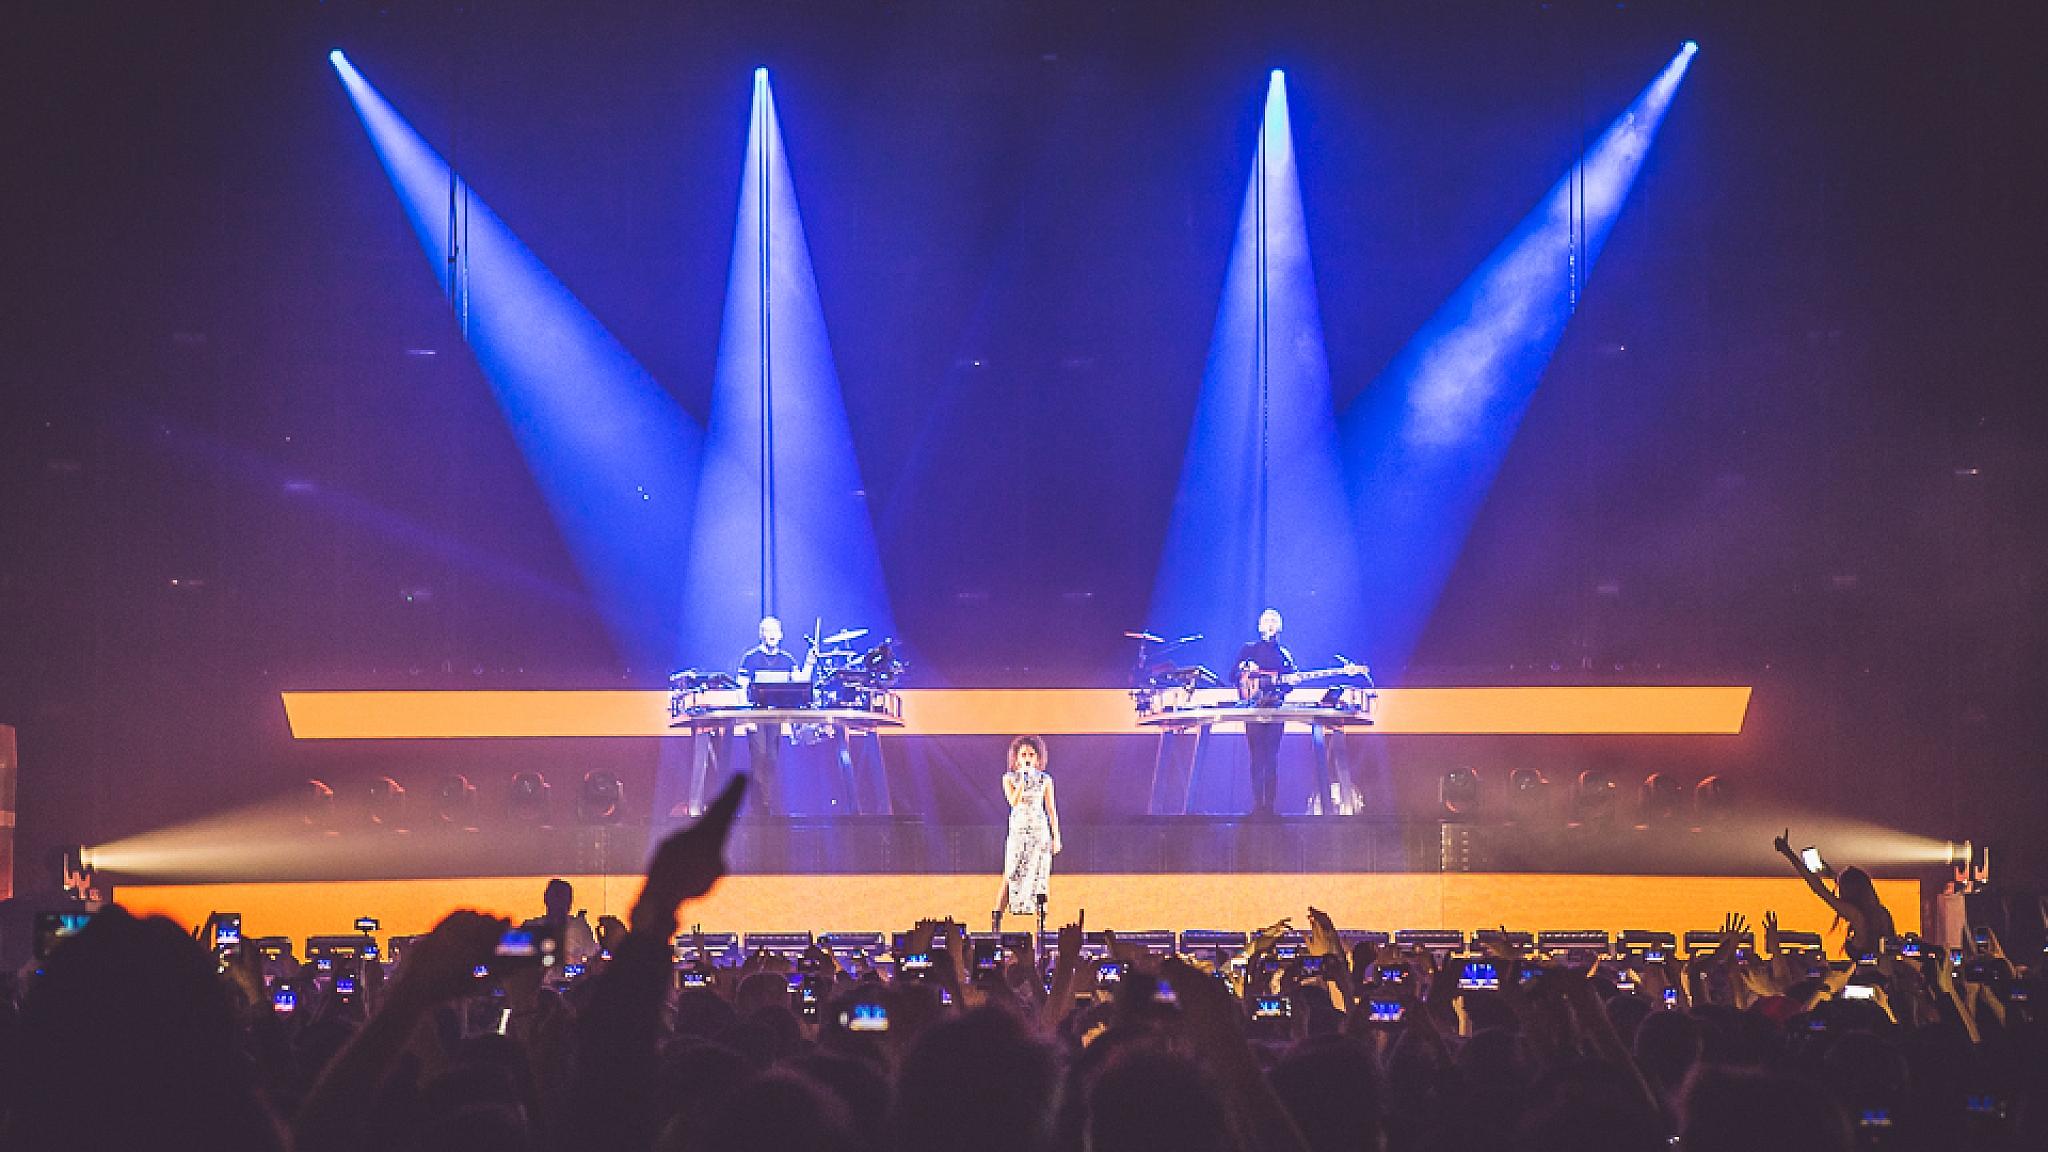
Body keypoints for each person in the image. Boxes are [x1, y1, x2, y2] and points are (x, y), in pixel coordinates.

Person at [1771, 829, 1896, 959]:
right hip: (1884, 977)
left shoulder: (1855, 914)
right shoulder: (1881, 913)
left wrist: (1788, 853)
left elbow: (1819, 889)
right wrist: (1829, 873)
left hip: (1865, 978)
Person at [737, 616, 808, 814]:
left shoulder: (787, 659)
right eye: (767, 631)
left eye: (775, 631)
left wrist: (809, 663)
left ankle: (766, 800)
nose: (771, 635)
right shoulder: (750, 658)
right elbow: (740, 688)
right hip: (756, 715)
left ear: (781, 635)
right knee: (758, 755)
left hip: (776, 716)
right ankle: (758, 804)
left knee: (772, 757)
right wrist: (746, 717)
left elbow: (800, 683)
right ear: (761, 634)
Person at [995, 735, 1062, 926]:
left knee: (1041, 878)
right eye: (1023, 754)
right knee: (1010, 875)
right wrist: (1023, 781)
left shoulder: (1046, 780)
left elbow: (1051, 809)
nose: (1027, 758)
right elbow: (1014, 802)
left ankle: (1042, 926)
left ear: (1038, 759)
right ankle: (996, 923)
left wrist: (1056, 836)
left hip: (1039, 833)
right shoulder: (1008, 779)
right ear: (1016, 758)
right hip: (1018, 832)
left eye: (1031, 754)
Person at [1235, 608, 1296, 816]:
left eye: (1274, 620)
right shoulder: (1249, 649)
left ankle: (1269, 806)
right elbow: (1232, 674)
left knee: (1271, 758)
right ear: (1260, 626)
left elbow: (1289, 684)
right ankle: (1256, 805)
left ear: (1280, 626)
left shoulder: (1284, 654)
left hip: (1275, 710)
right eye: (1266, 620)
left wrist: (1289, 684)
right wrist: (1245, 672)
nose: (1270, 623)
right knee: (1256, 757)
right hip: (1253, 709)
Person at [518, 878, 598, 969]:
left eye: (563, 897)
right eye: (556, 896)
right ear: (546, 898)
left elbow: (592, 958)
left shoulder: (579, 928)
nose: (559, 902)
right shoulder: (531, 927)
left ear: (570, 901)